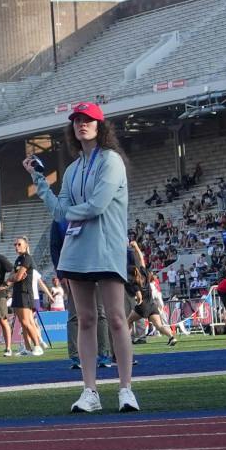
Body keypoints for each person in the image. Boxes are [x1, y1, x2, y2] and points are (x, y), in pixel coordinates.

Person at [30, 102, 137, 413]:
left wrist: (69, 213)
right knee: (86, 320)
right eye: (77, 120)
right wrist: (39, 180)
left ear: (100, 126)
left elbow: (97, 206)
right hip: (76, 251)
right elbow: (58, 212)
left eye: (88, 119)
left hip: (106, 248)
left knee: (116, 318)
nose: (82, 124)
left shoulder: (111, 160)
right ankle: (90, 391)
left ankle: (126, 389)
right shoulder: (73, 169)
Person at [8, 236, 46, 355]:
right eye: (15, 244)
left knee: (27, 322)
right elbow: (12, 277)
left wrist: (14, 277)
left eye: (19, 244)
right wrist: (14, 277)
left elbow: (18, 277)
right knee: (23, 323)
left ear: (26, 245)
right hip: (17, 292)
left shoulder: (27, 258)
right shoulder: (18, 259)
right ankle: (28, 349)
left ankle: (37, 346)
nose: (16, 246)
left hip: (25, 293)